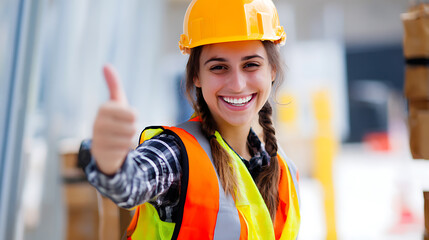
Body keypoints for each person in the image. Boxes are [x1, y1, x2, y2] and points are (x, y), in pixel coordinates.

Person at [79, 0, 301, 239]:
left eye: (251, 65)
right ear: (196, 75)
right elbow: (132, 183)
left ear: (272, 71)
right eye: (219, 67)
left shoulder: (284, 170)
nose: (237, 84)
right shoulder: (176, 155)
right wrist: (111, 164)